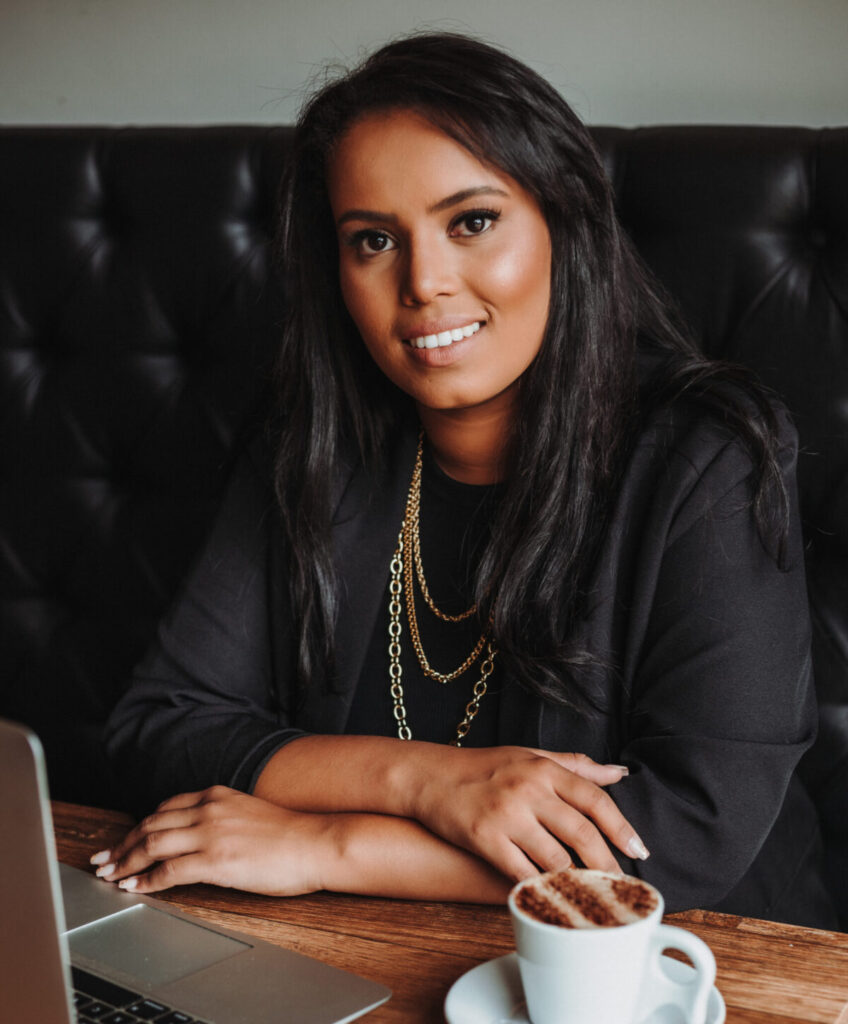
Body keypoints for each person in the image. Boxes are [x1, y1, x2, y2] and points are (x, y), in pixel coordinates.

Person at [97, 33, 836, 928]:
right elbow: (160, 726)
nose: (424, 283)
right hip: (374, 951)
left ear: (565, 224)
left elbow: (688, 836)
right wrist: (429, 783)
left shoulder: (708, 456)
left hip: (692, 966)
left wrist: (325, 845)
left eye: (472, 222)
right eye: (373, 240)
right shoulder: (315, 446)